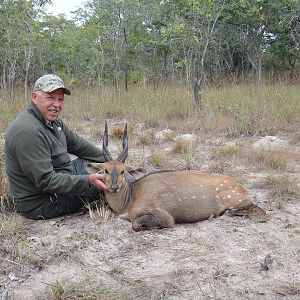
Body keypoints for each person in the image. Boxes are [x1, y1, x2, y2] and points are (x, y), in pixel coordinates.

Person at [4, 74, 108, 220]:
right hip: (42, 203)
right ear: (34, 97)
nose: (57, 104)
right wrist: (88, 181)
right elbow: (46, 181)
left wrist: (111, 162)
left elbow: (79, 145)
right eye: (50, 97)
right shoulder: (29, 132)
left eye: (60, 99)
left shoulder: (51, 121)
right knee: (110, 181)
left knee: (103, 168)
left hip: (59, 179)